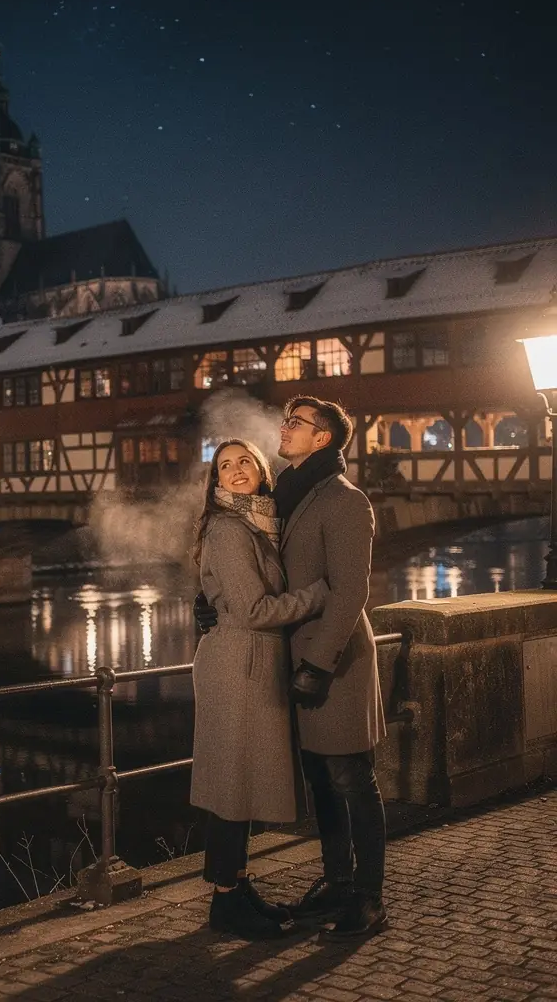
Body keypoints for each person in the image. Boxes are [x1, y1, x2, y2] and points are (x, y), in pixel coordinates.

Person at [195, 397, 389, 939]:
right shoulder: (281, 495)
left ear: (322, 438)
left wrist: (318, 665)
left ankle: (368, 898)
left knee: (352, 778)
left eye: (296, 423)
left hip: (334, 661)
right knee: (321, 782)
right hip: (287, 660)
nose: (284, 428)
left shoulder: (344, 500)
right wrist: (208, 597)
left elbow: (350, 590)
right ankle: (335, 881)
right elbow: (248, 566)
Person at [191, 438, 329, 940]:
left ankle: (239, 886)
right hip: (238, 663)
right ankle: (226, 901)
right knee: (233, 783)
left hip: (251, 660)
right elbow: (252, 610)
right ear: (216, 482)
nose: (235, 470)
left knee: (242, 780)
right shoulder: (230, 530)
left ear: (260, 468)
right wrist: (315, 597)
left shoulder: (261, 522)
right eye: (223, 466)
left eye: (243, 460)